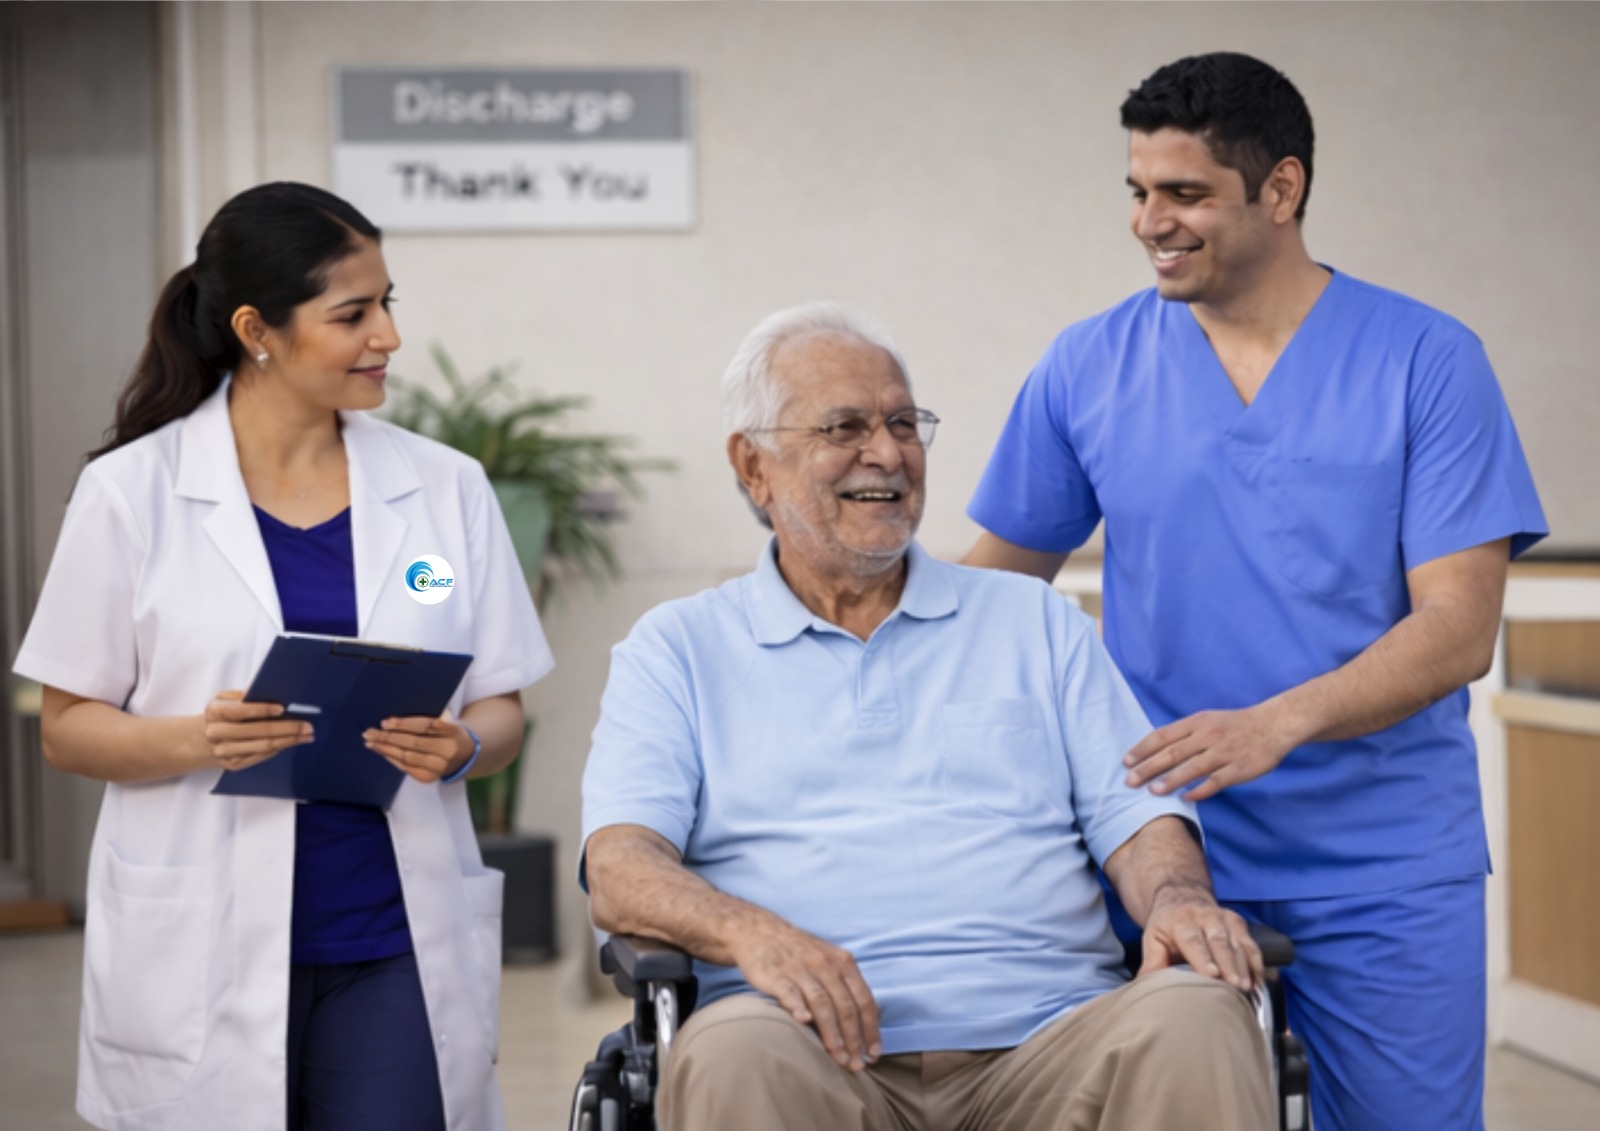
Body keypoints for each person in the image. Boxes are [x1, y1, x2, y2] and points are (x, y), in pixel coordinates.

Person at [964, 53, 1547, 1131]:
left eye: (1185, 194)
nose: (1150, 222)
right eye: (1138, 192)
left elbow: (1459, 630)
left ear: (1280, 190)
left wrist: (1274, 725)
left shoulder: (1425, 361)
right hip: (1159, 851)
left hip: (1381, 862)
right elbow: (985, 595)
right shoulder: (1087, 365)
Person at [581, 302, 1275, 1131]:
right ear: (754, 465)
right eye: (844, 426)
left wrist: (1177, 897)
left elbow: (1140, 815)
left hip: (1052, 1041)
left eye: (904, 422)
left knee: (1195, 1014)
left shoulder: (1035, 621)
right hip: (806, 1047)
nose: (886, 451)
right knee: (731, 1049)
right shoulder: (677, 649)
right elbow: (622, 869)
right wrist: (752, 935)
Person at [12, 182, 553, 1131]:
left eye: (389, 304)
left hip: (394, 940)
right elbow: (68, 730)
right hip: (200, 944)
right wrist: (201, 738)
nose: (387, 335)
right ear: (257, 328)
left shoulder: (444, 490)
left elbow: (501, 705)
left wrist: (461, 746)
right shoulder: (132, 492)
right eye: (354, 313)